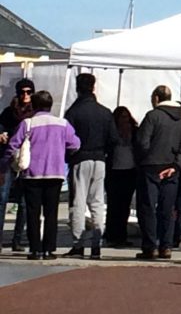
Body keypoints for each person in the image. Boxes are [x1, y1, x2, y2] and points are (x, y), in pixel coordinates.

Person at [2, 91, 80, 259]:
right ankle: (49, 249)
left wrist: (5, 165)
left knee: (33, 212)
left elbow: (12, 146)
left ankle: (35, 249)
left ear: (34, 106)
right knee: (51, 212)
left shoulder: (27, 124)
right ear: (50, 105)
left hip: (32, 174)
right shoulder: (62, 123)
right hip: (56, 173)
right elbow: (75, 144)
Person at [64, 73, 118, 259]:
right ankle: (97, 245)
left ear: (77, 88)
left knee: (78, 202)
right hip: (100, 158)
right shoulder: (105, 112)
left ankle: (78, 244)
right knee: (97, 202)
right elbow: (113, 139)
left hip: (80, 158)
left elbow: (67, 139)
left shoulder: (73, 112)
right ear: (93, 87)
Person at [135, 85, 181, 260]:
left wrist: (145, 157)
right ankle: (166, 246)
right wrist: (176, 164)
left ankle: (150, 246)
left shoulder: (152, 116)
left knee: (148, 208)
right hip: (172, 168)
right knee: (167, 208)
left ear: (156, 98)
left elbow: (142, 141)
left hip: (150, 166)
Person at [0, 78, 35, 252]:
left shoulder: (35, 113)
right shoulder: (8, 112)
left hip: (27, 159)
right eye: (22, 92)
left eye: (29, 92)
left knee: (23, 202)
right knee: (2, 199)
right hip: (8, 157)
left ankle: (18, 240)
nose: (25, 95)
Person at [105, 106, 139, 247]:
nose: (124, 120)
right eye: (121, 117)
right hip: (114, 172)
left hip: (129, 172)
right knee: (113, 205)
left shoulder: (135, 133)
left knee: (125, 206)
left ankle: (121, 235)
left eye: (126, 117)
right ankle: (111, 234)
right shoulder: (111, 134)